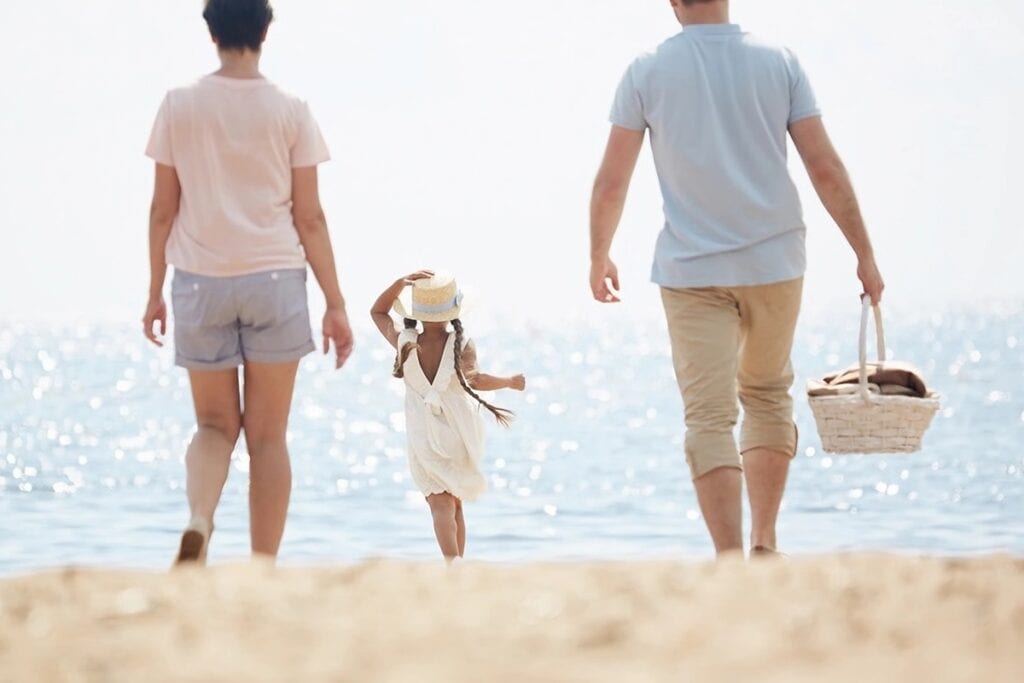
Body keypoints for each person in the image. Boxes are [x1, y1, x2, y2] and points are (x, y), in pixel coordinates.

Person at [588, 0, 885, 557]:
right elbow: (824, 166)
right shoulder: (779, 62)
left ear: (673, 2)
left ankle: (729, 560)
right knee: (768, 395)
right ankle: (765, 543)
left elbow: (612, 182)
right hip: (775, 264)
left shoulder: (646, 70)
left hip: (692, 269)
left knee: (708, 415)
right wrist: (863, 252)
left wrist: (598, 253)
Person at [141, 0, 354, 564]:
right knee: (268, 435)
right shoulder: (290, 110)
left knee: (214, 425)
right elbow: (310, 216)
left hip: (199, 282)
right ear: (265, 31)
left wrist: (153, 291)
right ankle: (263, 567)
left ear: (210, 31)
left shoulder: (178, 104)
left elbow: (163, 209)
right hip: (275, 278)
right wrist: (335, 302)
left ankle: (199, 519)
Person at [370, 271, 525, 562]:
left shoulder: (405, 341)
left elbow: (378, 312)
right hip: (456, 432)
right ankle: (458, 564)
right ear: (452, 310)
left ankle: (452, 563)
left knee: (439, 505)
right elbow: (475, 380)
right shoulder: (461, 343)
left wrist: (399, 284)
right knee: (455, 505)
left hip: (422, 434)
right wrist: (507, 381)